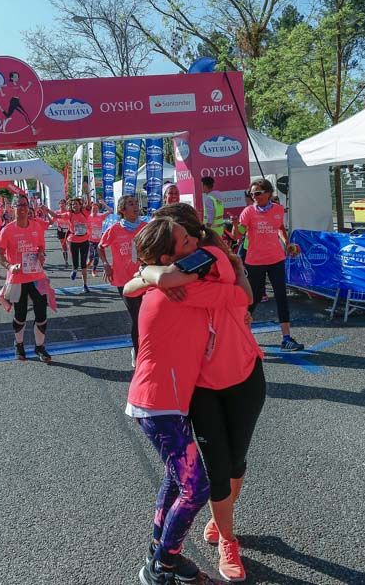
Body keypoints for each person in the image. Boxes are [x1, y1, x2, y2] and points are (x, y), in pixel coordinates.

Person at [129, 203, 262, 582]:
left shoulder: (195, 270)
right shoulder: (184, 287)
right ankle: (162, 566)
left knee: (182, 478)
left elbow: (140, 282)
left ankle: (162, 550)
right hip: (163, 403)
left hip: (169, 400)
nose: (199, 240)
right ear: (173, 256)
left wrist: (148, 275)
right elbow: (240, 296)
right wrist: (154, 276)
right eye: (189, 239)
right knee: (196, 486)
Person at [233, 178, 304, 352]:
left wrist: (286, 243)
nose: (254, 196)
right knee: (253, 299)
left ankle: (286, 338)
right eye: (252, 194)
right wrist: (236, 225)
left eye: (257, 193)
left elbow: (279, 227)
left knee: (281, 297)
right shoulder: (248, 212)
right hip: (255, 261)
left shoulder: (278, 209)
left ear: (268, 193)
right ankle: (242, 333)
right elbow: (238, 235)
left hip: (276, 259)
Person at [0, 195, 53, 363]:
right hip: (18, 278)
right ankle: (19, 344)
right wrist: (9, 266)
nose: (22, 208)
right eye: (18, 205)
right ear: (13, 208)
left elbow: (41, 247)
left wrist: (41, 255)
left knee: (41, 314)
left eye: (24, 205)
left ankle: (40, 347)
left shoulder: (36, 227)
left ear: (28, 207)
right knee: (20, 315)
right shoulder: (7, 230)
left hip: (37, 277)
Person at [98, 195, 146, 367]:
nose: (135, 206)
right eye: (130, 204)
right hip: (123, 280)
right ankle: (138, 352)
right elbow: (100, 246)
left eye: (136, 203)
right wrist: (106, 264)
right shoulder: (115, 229)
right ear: (122, 210)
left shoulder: (145, 227)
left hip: (144, 278)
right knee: (136, 316)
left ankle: (143, 349)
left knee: (146, 315)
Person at [66, 198, 92, 292]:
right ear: (71, 207)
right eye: (73, 205)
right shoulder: (70, 215)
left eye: (76, 204)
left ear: (80, 205)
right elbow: (57, 215)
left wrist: (88, 194)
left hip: (84, 240)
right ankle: (74, 270)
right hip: (73, 241)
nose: (74, 206)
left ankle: (85, 285)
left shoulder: (84, 212)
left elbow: (89, 205)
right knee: (75, 263)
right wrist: (47, 211)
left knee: (83, 264)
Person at [53, 199, 70, 265]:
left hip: (68, 230)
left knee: (71, 245)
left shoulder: (68, 212)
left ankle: (74, 259)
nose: (62, 205)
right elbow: (52, 220)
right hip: (60, 230)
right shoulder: (57, 212)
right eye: (60, 203)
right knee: (63, 245)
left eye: (63, 203)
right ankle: (66, 261)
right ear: (59, 205)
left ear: (65, 205)